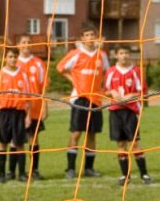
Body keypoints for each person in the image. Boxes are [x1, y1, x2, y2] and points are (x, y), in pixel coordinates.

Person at [57, 26, 108, 178]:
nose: (90, 37)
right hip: (79, 98)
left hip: (96, 99)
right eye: (87, 35)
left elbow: (106, 72)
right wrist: (74, 81)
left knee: (92, 135)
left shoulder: (102, 55)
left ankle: (89, 168)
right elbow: (60, 68)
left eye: (93, 34)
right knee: (76, 133)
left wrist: (101, 89)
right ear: (82, 38)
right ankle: (71, 169)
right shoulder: (75, 53)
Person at [105, 46, 151, 186]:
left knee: (135, 143)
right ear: (116, 55)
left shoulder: (136, 71)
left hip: (130, 111)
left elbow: (143, 92)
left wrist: (132, 95)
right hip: (115, 111)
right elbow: (105, 90)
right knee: (120, 144)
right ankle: (125, 176)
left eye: (126, 53)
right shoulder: (111, 71)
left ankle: (144, 174)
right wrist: (112, 92)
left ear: (129, 55)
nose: (124, 56)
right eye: (121, 53)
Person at [0, 47, 30, 183]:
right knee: (2, 143)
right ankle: (1, 174)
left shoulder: (23, 75)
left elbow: (28, 98)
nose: (13, 59)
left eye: (15, 57)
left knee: (19, 144)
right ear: (5, 58)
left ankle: (22, 173)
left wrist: (28, 116)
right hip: (3, 112)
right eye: (10, 57)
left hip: (18, 112)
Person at [18, 36, 48, 181]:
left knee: (33, 138)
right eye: (23, 42)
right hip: (18, 107)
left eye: (29, 42)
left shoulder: (38, 63)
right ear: (18, 45)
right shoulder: (13, 61)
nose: (26, 45)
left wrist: (45, 105)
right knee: (16, 139)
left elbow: (43, 86)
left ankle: (34, 170)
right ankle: (18, 171)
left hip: (35, 106)